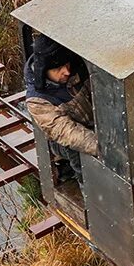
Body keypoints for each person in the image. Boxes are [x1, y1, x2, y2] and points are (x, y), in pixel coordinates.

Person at [23, 32, 98, 173]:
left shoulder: (78, 66)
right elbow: (66, 132)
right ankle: (84, 183)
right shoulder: (37, 101)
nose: (67, 72)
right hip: (65, 140)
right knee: (77, 150)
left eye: (66, 64)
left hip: (94, 124)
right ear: (43, 71)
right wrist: (102, 148)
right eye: (58, 69)